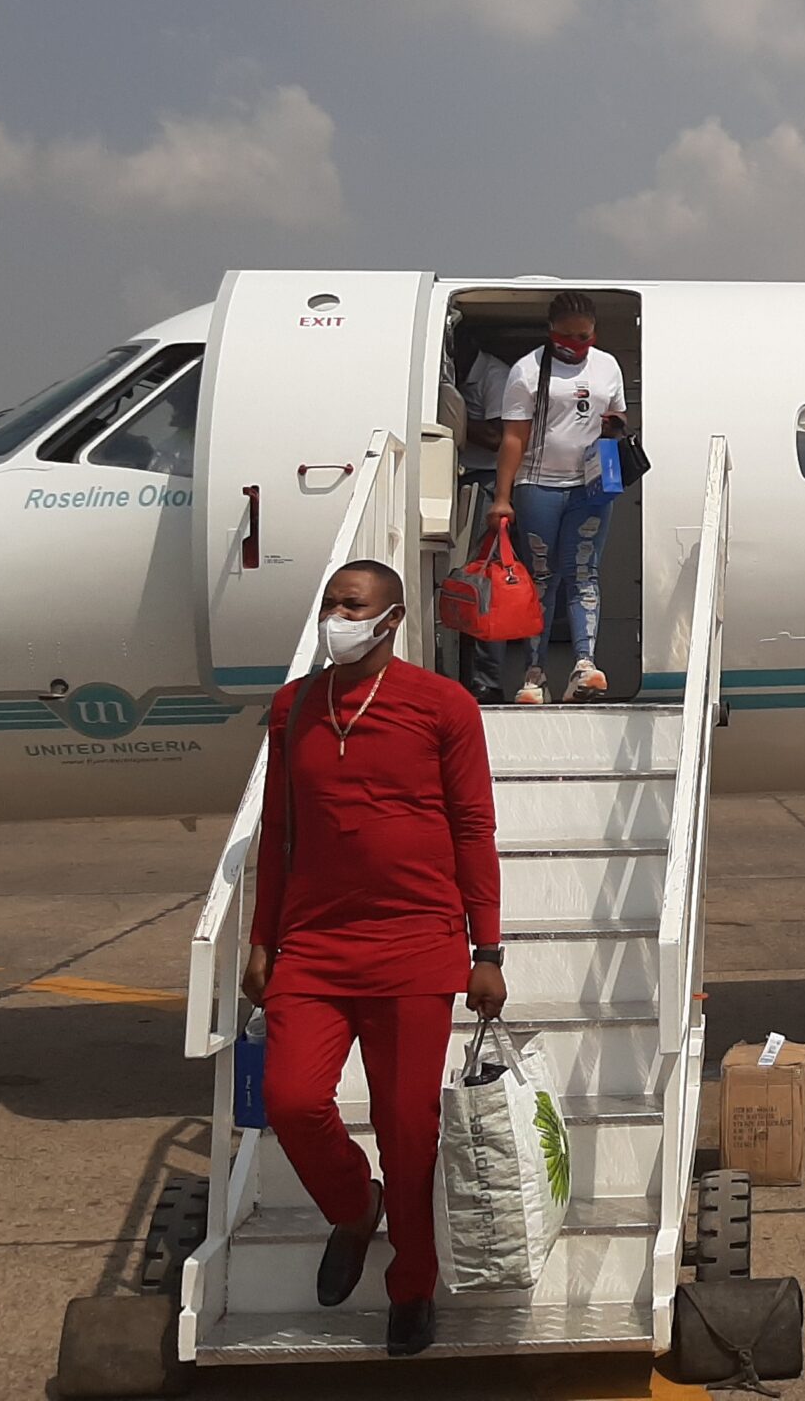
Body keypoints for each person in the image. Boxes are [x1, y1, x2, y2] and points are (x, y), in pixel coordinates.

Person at [242, 560, 507, 1359]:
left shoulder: (443, 706)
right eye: (328, 603)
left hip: (418, 943)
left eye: (350, 606)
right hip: (317, 945)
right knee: (291, 1101)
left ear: (390, 620)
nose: (335, 617)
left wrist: (485, 947)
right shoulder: (294, 708)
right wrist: (263, 936)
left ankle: (412, 1286)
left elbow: (473, 826)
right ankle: (357, 1209)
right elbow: (279, 833)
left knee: (406, 1125)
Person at [491, 290, 628, 705]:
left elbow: (620, 415)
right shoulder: (527, 370)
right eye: (565, 338)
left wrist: (615, 426)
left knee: (584, 572)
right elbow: (513, 438)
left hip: (590, 486)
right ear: (551, 333)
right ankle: (534, 673)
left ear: (595, 332)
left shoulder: (607, 365)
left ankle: (585, 664)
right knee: (542, 578)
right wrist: (502, 497)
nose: (575, 346)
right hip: (539, 486)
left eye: (583, 337)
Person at [444, 327, 524, 704]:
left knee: (486, 582)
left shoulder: (496, 376)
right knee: (462, 582)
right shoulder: (463, 376)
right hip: (462, 479)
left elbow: (499, 437)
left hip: (491, 484)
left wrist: (453, 421)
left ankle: (486, 681)